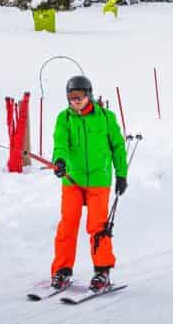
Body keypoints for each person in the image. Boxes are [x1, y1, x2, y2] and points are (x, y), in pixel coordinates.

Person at [51, 74, 129, 293]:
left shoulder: (105, 117)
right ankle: (62, 270)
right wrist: (60, 161)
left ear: (89, 94)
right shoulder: (64, 118)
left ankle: (102, 272)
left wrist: (121, 174)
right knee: (68, 224)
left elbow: (118, 147)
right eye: (71, 96)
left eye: (79, 96)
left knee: (98, 227)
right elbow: (60, 143)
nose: (75, 100)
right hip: (73, 180)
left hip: (98, 180)